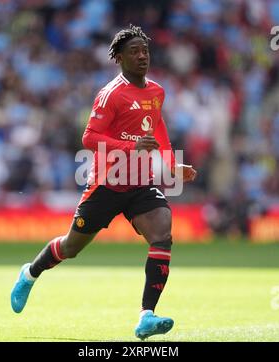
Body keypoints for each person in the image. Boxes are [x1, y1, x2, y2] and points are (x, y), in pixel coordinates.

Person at [11, 25, 197, 340]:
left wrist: (170, 163)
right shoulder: (111, 94)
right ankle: (30, 273)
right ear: (120, 58)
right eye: (134, 52)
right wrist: (131, 147)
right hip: (107, 182)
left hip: (139, 182)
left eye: (145, 51)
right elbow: (89, 137)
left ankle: (146, 316)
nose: (142, 57)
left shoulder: (156, 92)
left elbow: (158, 127)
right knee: (71, 247)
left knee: (162, 233)